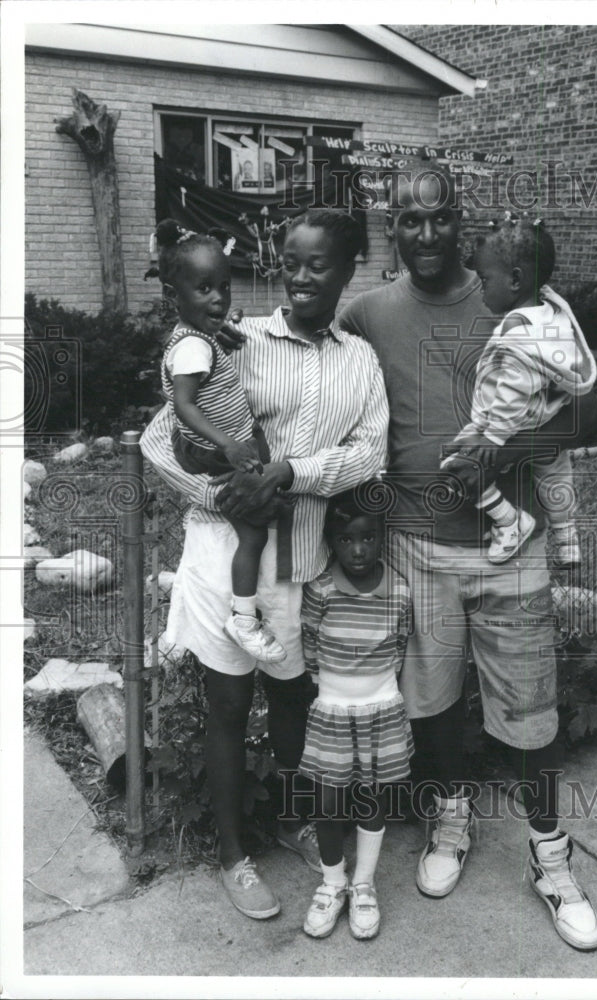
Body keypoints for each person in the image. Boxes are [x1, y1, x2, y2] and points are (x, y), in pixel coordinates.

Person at [338, 165, 597, 951]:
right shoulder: (369, 314)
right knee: (434, 705)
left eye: (439, 219)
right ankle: (448, 820)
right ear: (392, 226)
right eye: (408, 221)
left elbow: (587, 412)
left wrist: (504, 454)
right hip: (415, 548)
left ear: (462, 222)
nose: (424, 234)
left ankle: (551, 858)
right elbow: (319, 384)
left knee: (531, 711)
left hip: (507, 546)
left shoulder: (519, 304)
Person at [140, 209, 389, 920]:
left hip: (299, 557)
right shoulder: (237, 342)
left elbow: (368, 456)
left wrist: (288, 473)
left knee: (290, 697)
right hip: (226, 550)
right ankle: (230, 853)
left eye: (319, 265)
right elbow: (162, 439)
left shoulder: (359, 361)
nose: (301, 276)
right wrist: (221, 494)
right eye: (291, 261)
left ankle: (292, 818)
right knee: (227, 705)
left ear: (349, 270)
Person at [154, 218, 286, 664]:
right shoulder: (192, 348)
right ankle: (243, 617)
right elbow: (186, 406)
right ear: (175, 297)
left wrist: (221, 329)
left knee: (261, 491)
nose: (218, 298)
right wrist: (228, 444)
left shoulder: (198, 338)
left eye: (224, 287)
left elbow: (209, 360)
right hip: (212, 452)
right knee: (252, 534)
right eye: (204, 289)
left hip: (217, 445)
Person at [441, 214, 597, 567]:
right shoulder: (551, 312)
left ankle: (508, 520)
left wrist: (493, 441)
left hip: (512, 422)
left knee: (455, 463)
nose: (480, 289)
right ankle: (567, 537)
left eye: (484, 280)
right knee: (555, 471)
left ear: (514, 279)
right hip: (546, 414)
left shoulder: (516, 332)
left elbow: (514, 386)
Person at [298, 487, 413, 940]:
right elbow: (309, 645)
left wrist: (378, 691)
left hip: (381, 707)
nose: (358, 549)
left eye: (367, 538)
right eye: (346, 540)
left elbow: (399, 645)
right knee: (329, 801)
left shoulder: (399, 590)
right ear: (330, 542)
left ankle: (364, 884)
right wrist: (331, 692)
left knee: (372, 797)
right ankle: (332, 883)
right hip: (332, 709)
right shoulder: (321, 590)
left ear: (382, 537)